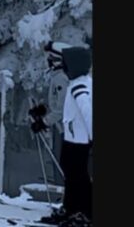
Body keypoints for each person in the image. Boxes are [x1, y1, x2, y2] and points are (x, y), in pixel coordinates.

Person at [38, 42, 93, 226]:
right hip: (72, 137)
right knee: (71, 172)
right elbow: (60, 105)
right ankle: (71, 209)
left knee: (77, 174)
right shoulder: (73, 82)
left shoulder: (77, 85)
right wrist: (43, 111)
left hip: (79, 138)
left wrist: (44, 121)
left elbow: (85, 112)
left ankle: (84, 212)